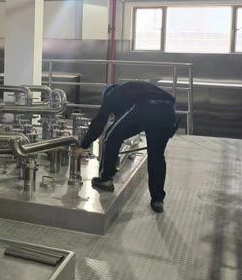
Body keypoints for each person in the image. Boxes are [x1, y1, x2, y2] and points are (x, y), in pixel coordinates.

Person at [76, 81, 178, 213]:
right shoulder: (131, 91)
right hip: (168, 111)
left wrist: (83, 145)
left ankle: (105, 179)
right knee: (156, 155)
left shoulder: (112, 95)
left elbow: (100, 121)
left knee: (111, 136)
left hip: (146, 107)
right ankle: (157, 200)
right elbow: (131, 122)